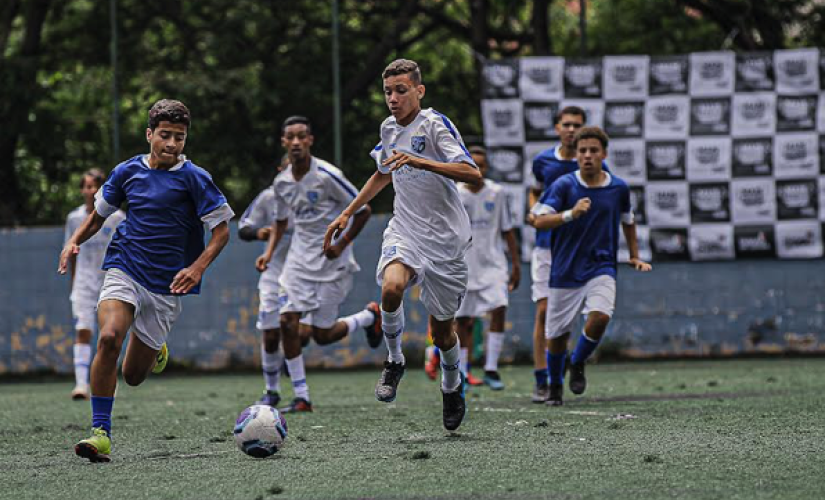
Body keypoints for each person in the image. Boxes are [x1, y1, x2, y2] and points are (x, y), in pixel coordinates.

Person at [58, 99, 234, 462]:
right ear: (149, 134)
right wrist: (74, 241)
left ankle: (154, 348)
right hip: (125, 266)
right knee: (107, 338)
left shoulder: (196, 179)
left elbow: (220, 232)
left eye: (180, 138)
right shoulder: (126, 172)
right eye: (165, 135)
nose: (171, 144)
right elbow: (96, 216)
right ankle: (100, 433)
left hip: (167, 286)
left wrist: (197, 267)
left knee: (133, 375)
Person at [324, 59, 482, 431]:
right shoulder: (388, 128)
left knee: (442, 333)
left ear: (419, 91)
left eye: (401, 90)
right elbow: (382, 174)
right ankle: (394, 361)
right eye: (387, 92)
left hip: (445, 241)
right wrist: (348, 211)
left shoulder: (434, 125)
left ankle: (451, 383)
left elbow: (472, 172)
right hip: (406, 229)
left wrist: (422, 161)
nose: (393, 99)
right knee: (391, 288)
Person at [256, 116, 381, 414]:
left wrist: (341, 244)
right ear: (284, 142)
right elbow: (281, 220)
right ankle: (302, 397)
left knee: (323, 335)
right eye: (291, 137)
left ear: (310, 140)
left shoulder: (327, 175)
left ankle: (368, 316)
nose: (296, 142)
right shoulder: (281, 182)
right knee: (287, 321)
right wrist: (271, 252)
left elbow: (363, 210)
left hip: (331, 263)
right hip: (298, 262)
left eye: (302, 136)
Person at [528, 126, 651, 407]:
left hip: (601, 266)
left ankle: (578, 360)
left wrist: (633, 255)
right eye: (583, 151)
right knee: (556, 336)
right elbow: (537, 220)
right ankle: (555, 387)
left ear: (603, 154)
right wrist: (571, 214)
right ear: (577, 156)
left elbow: (627, 220)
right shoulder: (564, 186)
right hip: (565, 270)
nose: (587, 156)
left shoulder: (618, 187)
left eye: (593, 151)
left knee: (600, 317)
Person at [528, 106, 599, 402]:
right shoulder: (543, 160)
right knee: (544, 311)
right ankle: (542, 378)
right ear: (557, 127)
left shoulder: (593, 162)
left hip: (579, 249)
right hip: (547, 245)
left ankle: (571, 362)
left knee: (578, 314)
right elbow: (535, 191)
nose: (571, 129)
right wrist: (533, 209)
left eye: (577, 125)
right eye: (566, 124)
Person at [454, 145, 520, 390]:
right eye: (472, 164)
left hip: (493, 264)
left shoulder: (497, 192)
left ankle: (491, 368)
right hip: (463, 265)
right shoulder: (456, 193)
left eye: (481, 165)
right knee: (463, 320)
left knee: (499, 307)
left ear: (487, 168)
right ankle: (462, 371)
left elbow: (507, 230)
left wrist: (515, 264)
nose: (477, 169)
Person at [64, 169, 126, 401]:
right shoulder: (74, 218)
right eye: (87, 186)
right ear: (82, 189)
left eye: (95, 186)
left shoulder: (117, 217)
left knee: (108, 335)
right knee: (83, 330)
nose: (90, 190)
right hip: (83, 282)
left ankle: (106, 382)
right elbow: (72, 251)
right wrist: (73, 283)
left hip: (109, 280)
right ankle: (81, 385)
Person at [238, 156, 293, 408]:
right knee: (271, 333)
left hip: (306, 270)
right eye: (287, 167)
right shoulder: (268, 198)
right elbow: (243, 227)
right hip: (273, 272)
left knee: (306, 332)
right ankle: (272, 390)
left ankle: (292, 360)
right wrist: (259, 232)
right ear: (279, 170)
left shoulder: (315, 193)